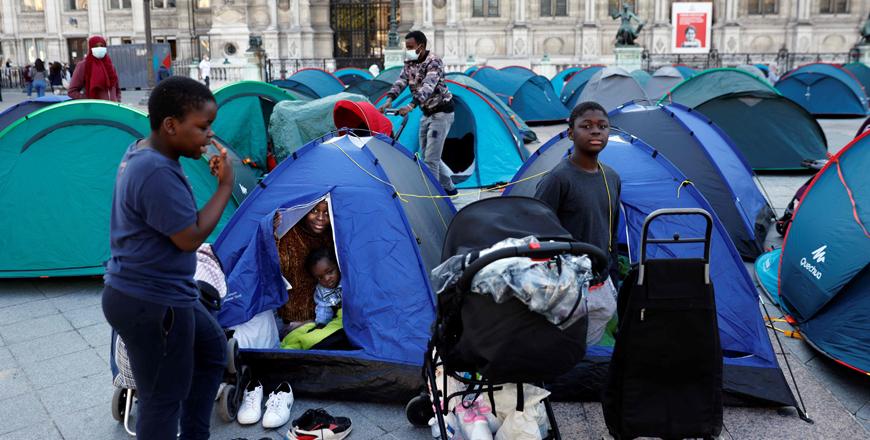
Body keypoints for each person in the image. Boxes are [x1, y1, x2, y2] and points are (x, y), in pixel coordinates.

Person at [101, 76, 234, 440]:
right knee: (162, 400)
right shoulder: (156, 170)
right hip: (152, 302)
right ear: (171, 125)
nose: (209, 137)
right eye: (203, 127)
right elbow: (189, 237)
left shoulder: (143, 152)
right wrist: (224, 187)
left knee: (210, 351)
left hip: (159, 294)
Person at [534, 101, 622, 284]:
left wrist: (613, 270)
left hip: (602, 277)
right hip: (567, 281)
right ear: (571, 134)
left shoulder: (611, 177)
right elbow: (538, 233)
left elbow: (611, 231)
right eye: (586, 126)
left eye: (602, 126)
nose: (596, 131)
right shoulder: (557, 179)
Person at [379, 30, 458, 196]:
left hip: (442, 112)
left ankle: (433, 197)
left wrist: (411, 106)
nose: (407, 50)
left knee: (431, 159)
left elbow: (428, 87)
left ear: (420, 47)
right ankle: (450, 188)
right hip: (427, 112)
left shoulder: (434, 62)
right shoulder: (410, 62)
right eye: (406, 47)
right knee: (427, 155)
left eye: (410, 47)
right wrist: (389, 99)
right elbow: (401, 81)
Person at [274, 201, 334, 329]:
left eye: (327, 213)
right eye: (314, 211)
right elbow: (274, 268)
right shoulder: (288, 235)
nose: (320, 218)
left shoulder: (333, 236)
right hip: (290, 318)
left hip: (327, 315)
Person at [68, 35, 121, 102]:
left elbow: (117, 88)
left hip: (113, 109)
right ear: (91, 48)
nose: (99, 48)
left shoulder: (110, 65)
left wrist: (117, 100)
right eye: (96, 46)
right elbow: (72, 91)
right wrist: (90, 101)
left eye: (102, 46)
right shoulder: (83, 65)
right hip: (94, 109)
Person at [308, 247, 342, 328]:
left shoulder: (346, 279)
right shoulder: (321, 291)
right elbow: (323, 309)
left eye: (330, 272)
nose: (326, 279)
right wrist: (321, 324)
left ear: (337, 265)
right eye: (320, 277)